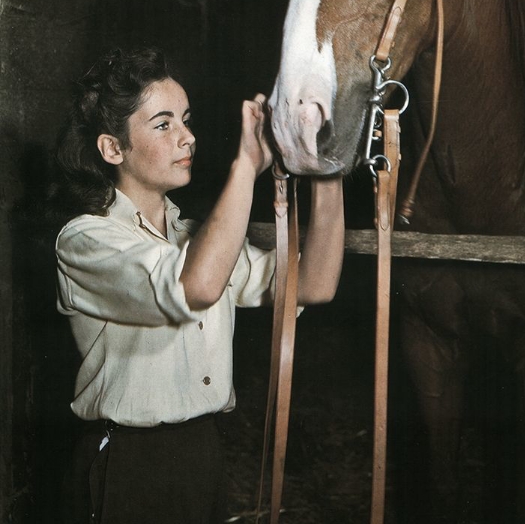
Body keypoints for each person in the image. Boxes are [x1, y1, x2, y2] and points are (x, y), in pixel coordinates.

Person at [53, 46, 344, 524]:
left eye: (186, 119)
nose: (188, 137)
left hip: (203, 453)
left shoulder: (194, 238)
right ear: (112, 148)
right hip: (130, 462)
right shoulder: (87, 240)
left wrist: (326, 166)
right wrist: (245, 166)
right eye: (163, 124)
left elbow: (312, 284)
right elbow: (195, 287)